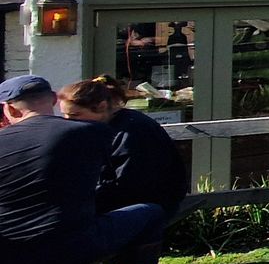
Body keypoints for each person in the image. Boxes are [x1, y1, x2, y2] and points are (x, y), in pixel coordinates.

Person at [0, 75, 172, 264]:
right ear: (53, 99)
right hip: (71, 249)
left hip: (7, 257)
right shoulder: (90, 132)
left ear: (10, 108)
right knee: (152, 213)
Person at [59, 77, 188, 215]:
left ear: (102, 107)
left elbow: (128, 186)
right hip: (122, 202)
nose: (68, 121)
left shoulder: (133, 131)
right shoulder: (100, 129)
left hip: (147, 208)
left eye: (74, 115)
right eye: (64, 115)